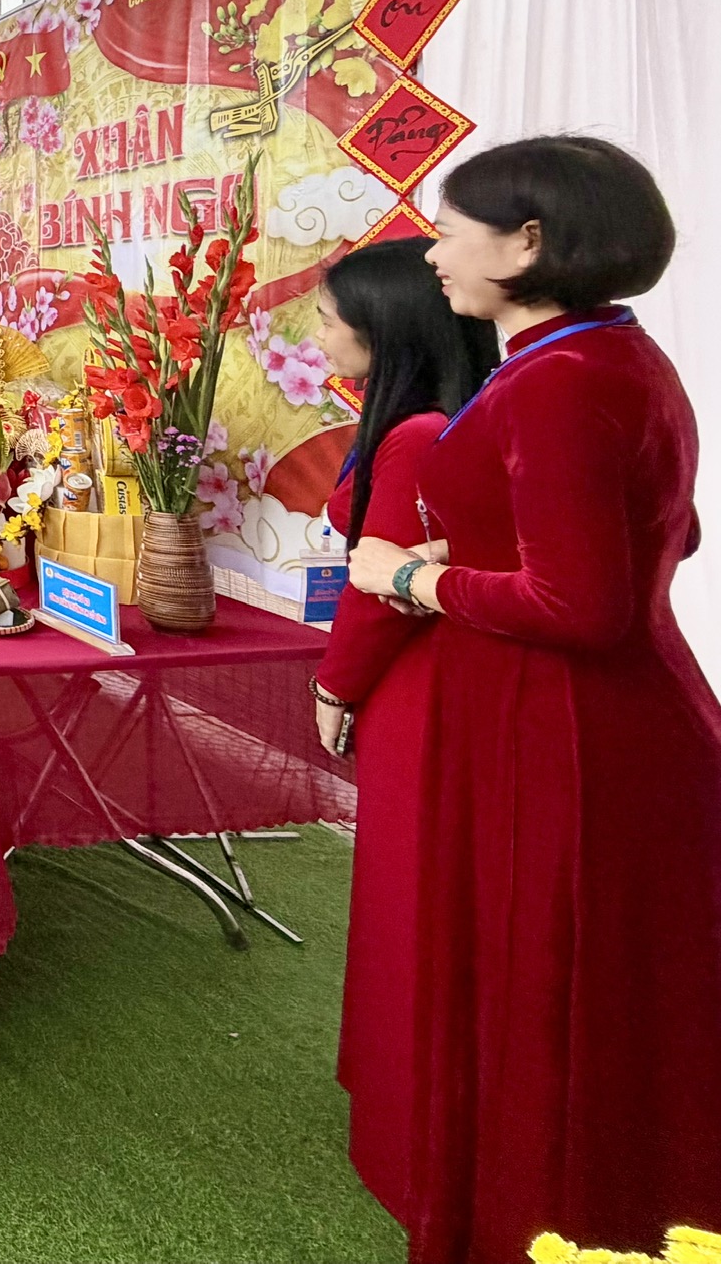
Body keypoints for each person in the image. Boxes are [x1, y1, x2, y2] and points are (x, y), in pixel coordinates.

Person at [341, 137, 721, 1262]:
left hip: (565, 731)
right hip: (611, 716)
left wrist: (412, 576)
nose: (433, 250)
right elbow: (671, 533)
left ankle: (530, 1217)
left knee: (546, 997)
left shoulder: (557, 379)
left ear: (528, 242)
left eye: (451, 226)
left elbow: (581, 603)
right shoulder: (610, 357)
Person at [301, 239, 498, 1216]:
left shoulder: (416, 433)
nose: (316, 332)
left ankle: (412, 1128)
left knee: (409, 901)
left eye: (328, 316)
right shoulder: (435, 416)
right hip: (437, 681)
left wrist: (335, 686)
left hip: (420, 687)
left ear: (383, 331)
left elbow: (382, 593)